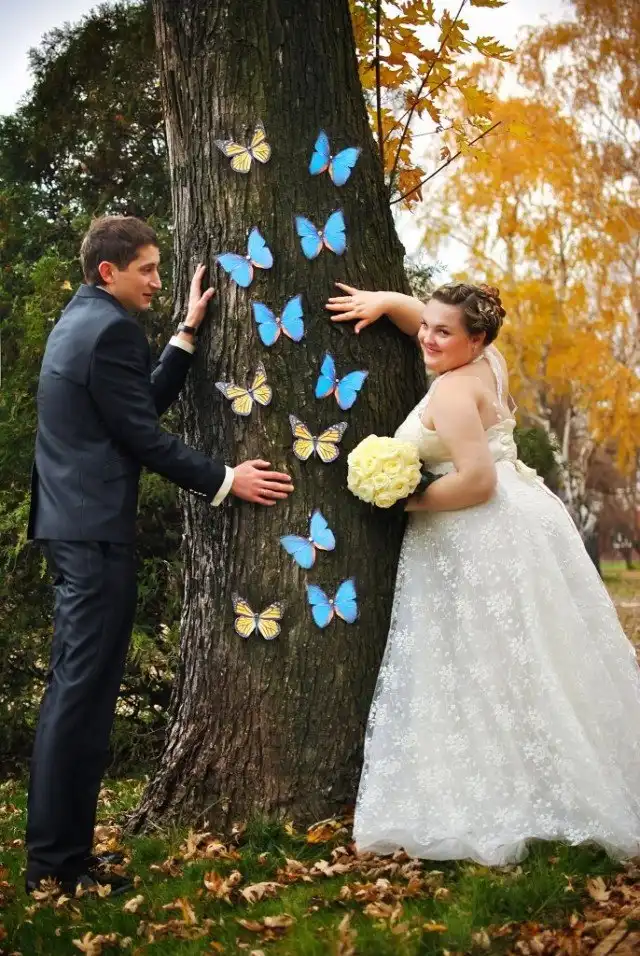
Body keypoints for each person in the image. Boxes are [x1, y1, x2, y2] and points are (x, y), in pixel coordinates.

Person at [326, 281, 640, 865]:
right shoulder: (487, 362)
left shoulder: (450, 392)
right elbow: (432, 321)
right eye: (426, 326)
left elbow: (476, 481)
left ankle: (504, 796)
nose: (427, 338)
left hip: (480, 531)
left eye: (443, 333)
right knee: (531, 660)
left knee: (481, 665)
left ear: (476, 339)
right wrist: (390, 304)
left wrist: (402, 501)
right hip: (525, 521)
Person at [25, 216, 294, 894]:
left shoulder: (81, 321)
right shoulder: (110, 329)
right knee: (80, 700)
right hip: (91, 536)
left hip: (75, 528)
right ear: (108, 271)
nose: (156, 280)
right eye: (146, 268)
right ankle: (55, 867)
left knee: (79, 695)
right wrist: (228, 479)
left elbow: (131, 410)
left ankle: (63, 859)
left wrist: (185, 334)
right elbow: (144, 438)